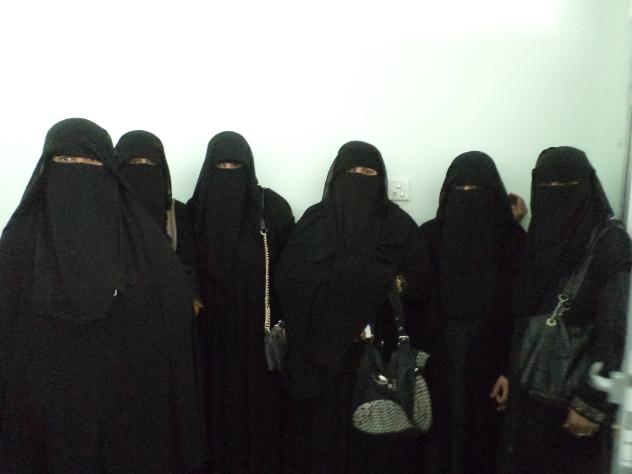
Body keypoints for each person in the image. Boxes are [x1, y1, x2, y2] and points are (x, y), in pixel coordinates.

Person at [0, 118, 208, 472]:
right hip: (42, 418)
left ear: (108, 171)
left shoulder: (147, 248)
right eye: (65, 161)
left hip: (124, 416)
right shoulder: (17, 247)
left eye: (91, 162)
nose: (77, 170)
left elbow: (172, 328)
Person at [275, 141, 417, 473]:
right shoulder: (315, 221)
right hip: (319, 358)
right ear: (337, 177)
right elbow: (290, 280)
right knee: (322, 442)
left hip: (377, 356)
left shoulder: (398, 225)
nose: (360, 178)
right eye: (352, 172)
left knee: (373, 445)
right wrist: (368, 280)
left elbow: (418, 278)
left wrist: (379, 282)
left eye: (368, 172)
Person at [500, 146, 631, 474]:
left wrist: (590, 404)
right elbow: (525, 311)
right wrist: (510, 373)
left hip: (572, 402)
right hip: (529, 393)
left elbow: (614, 329)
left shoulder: (609, 243)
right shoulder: (540, 237)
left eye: (565, 186)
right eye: (546, 186)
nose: (555, 194)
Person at [401, 151, 526, 474]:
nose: (469, 198)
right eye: (461, 190)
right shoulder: (430, 236)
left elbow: (522, 311)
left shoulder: (513, 240)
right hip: (437, 359)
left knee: (484, 441)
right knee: (437, 441)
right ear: (447, 193)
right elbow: (415, 301)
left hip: (492, 362)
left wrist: (510, 370)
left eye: (478, 191)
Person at [188, 131, 294, 474]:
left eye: (236, 166)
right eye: (220, 166)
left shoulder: (271, 209)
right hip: (209, 340)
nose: (228, 172)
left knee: (259, 417)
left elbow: (290, 272)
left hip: (258, 339)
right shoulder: (192, 214)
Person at [115, 130, 202, 314]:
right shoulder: (106, 210)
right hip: (117, 308)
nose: (142, 168)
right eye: (134, 162)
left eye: (150, 162)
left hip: (167, 307)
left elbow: (187, 262)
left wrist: (192, 298)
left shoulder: (176, 212)